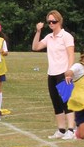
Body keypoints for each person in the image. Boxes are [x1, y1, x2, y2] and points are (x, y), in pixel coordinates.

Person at [32, 10, 76, 139]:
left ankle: (71, 130)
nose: (51, 23)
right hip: (52, 73)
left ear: (59, 21)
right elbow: (35, 47)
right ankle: (61, 130)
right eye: (49, 21)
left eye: (54, 21)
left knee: (66, 102)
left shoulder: (66, 36)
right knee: (56, 103)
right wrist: (38, 31)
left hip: (63, 73)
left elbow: (71, 54)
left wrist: (69, 71)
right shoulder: (49, 37)